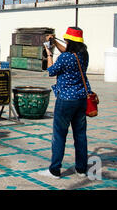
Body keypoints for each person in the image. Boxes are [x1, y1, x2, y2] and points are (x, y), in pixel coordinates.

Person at [38, 27, 91, 179]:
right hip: (81, 99)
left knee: (60, 135)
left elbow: (51, 70)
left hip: (66, 101)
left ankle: (54, 169)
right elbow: (67, 52)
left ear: (69, 41)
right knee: (80, 135)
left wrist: (49, 53)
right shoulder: (83, 55)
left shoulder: (65, 58)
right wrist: (54, 41)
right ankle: (81, 169)